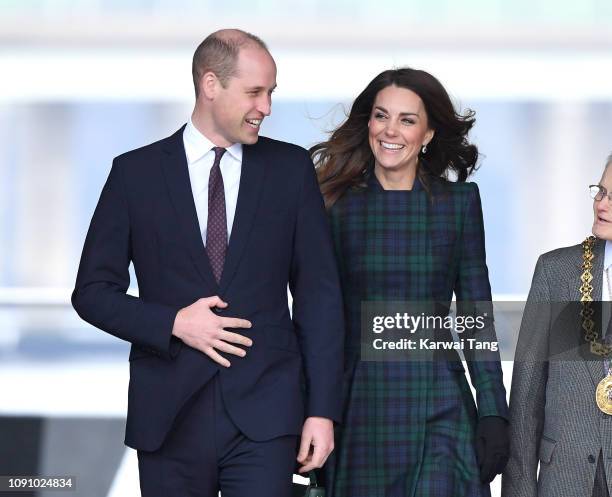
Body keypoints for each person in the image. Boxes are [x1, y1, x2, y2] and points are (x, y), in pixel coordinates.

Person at [72, 29, 344, 497]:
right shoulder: (134, 174)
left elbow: (319, 296)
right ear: (210, 84)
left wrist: (321, 411)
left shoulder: (290, 170)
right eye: (255, 92)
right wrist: (173, 322)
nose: (266, 107)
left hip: (267, 414)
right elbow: (93, 293)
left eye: (270, 93)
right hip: (169, 416)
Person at [311, 67, 509, 497]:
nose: (390, 130)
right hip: (361, 406)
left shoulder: (458, 203)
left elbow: (477, 314)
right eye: (381, 116)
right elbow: (316, 315)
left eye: (407, 120)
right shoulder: (334, 204)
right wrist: (313, 409)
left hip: (440, 404)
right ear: (368, 123)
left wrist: (494, 410)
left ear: (429, 133)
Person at [502, 154, 612, 497]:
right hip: (565, 479)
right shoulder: (558, 273)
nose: (601, 204)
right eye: (601, 191)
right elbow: (526, 395)